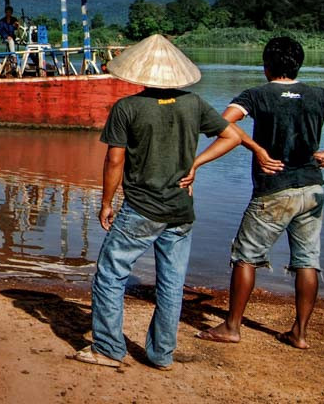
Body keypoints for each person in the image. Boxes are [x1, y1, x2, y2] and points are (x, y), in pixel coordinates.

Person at [73, 34, 249, 370]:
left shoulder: (128, 108)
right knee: (171, 283)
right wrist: (195, 164)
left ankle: (108, 349)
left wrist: (106, 202)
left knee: (110, 274)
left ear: (139, 73)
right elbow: (231, 136)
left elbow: (114, 161)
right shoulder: (193, 104)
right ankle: (160, 354)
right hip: (181, 210)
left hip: (142, 208)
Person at [194, 36, 324, 349]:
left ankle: (232, 326)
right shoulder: (319, 95)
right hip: (312, 189)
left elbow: (221, 124)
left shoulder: (256, 96)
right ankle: (299, 333)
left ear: (266, 67)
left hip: (274, 190)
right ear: (298, 64)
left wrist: (255, 147)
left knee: (246, 257)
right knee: (307, 261)